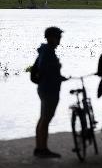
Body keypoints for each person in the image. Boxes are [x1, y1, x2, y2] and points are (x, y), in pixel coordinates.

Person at [34, 27, 68, 158]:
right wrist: (58, 76)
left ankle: (39, 148)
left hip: (45, 89)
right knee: (45, 120)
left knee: (43, 118)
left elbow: (46, 71)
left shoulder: (44, 51)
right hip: (49, 90)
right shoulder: (48, 52)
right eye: (58, 36)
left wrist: (58, 76)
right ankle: (42, 149)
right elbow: (46, 71)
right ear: (50, 38)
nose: (59, 39)